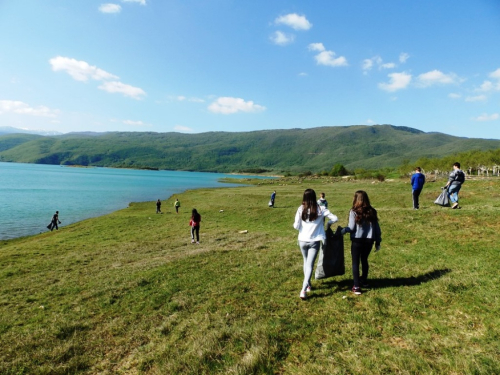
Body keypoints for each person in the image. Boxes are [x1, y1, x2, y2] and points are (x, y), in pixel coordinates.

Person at [293, 189, 338, 300]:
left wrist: (302, 228)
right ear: (314, 197)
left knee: (306, 262)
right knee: (310, 264)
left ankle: (308, 285)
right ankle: (304, 289)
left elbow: (296, 226)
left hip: (302, 240)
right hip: (315, 241)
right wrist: (327, 224)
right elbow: (335, 218)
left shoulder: (300, 209)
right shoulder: (321, 209)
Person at [341, 191, 382, 295]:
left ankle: (356, 286)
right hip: (369, 240)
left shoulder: (353, 211)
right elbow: (377, 228)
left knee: (355, 262)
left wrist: (343, 231)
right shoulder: (372, 211)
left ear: (356, 199)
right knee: (364, 260)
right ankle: (364, 280)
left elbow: (351, 228)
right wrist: (378, 241)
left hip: (357, 240)